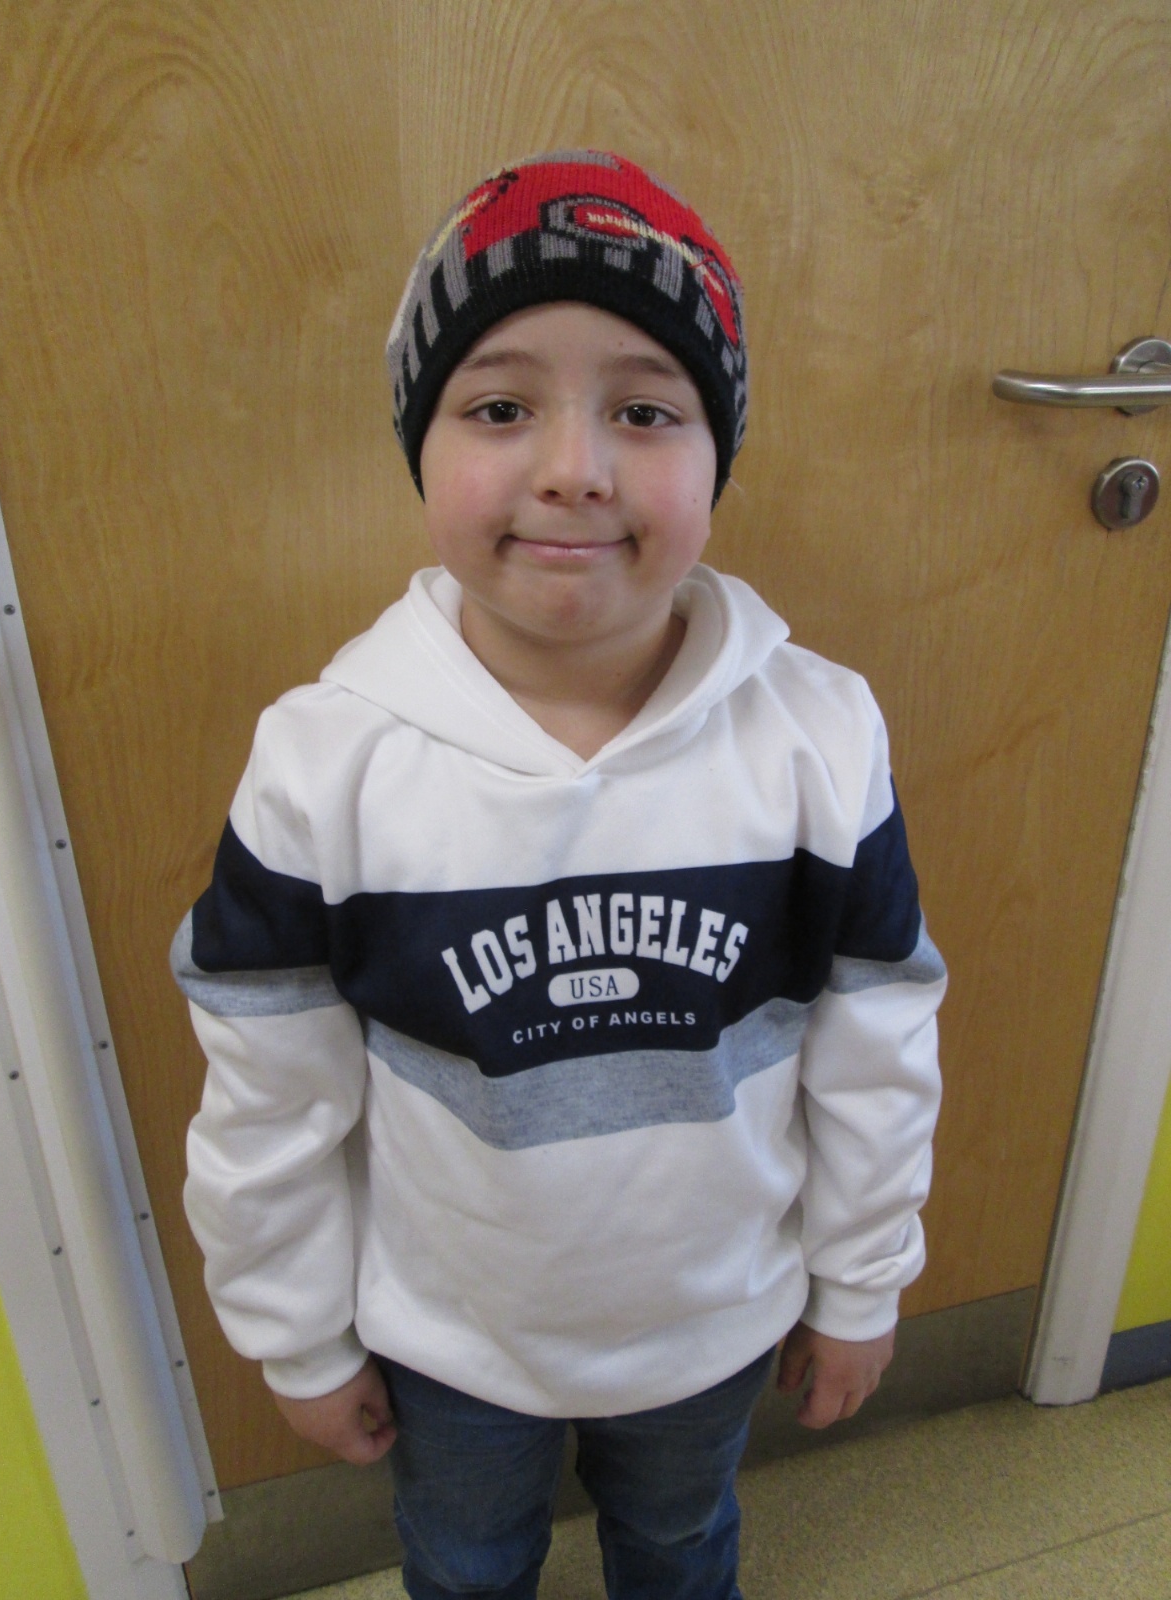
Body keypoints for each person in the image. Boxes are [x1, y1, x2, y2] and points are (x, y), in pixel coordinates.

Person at [174, 150, 945, 1600]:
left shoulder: (820, 738)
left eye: (646, 411)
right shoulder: (323, 764)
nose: (574, 467)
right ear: (421, 444)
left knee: (680, 1544)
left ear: (718, 452)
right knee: (468, 1564)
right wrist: (296, 1335)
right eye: (500, 407)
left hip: (713, 1326)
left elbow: (880, 1049)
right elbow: (268, 1100)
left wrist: (860, 1280)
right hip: (452, 1345)